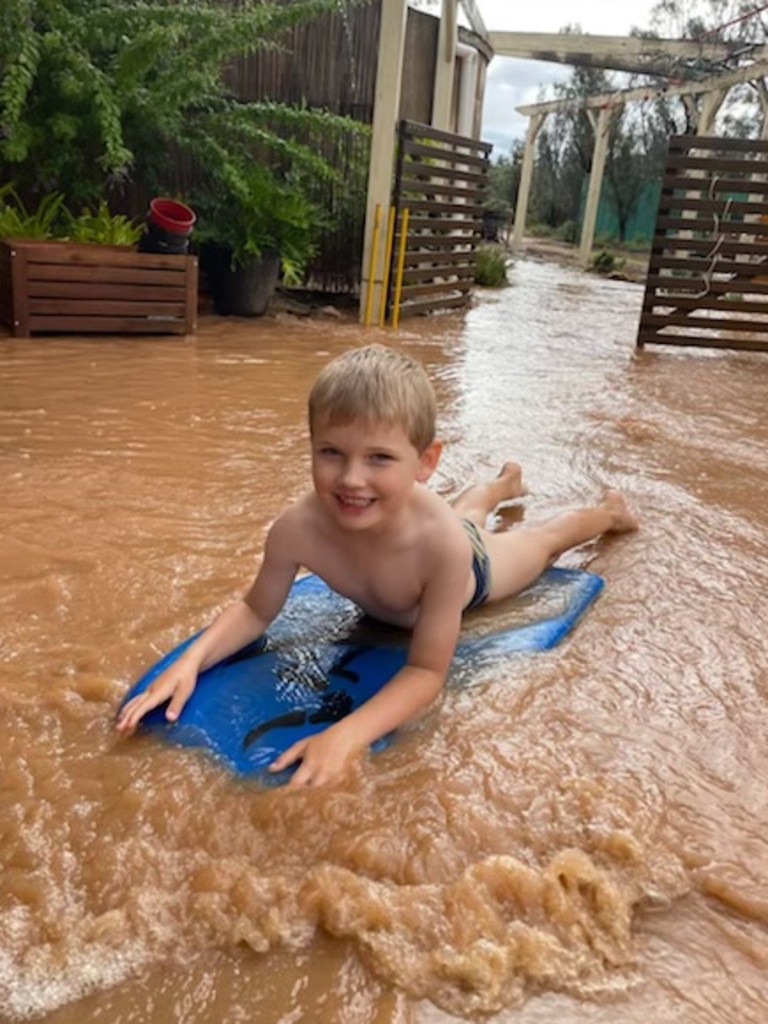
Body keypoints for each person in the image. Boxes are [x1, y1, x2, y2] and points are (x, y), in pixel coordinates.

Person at [116, 344, 638, 786]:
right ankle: (504, 483)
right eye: (331, 452)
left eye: (380, 458)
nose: (351, 479)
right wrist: (193, 660)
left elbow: (427, 670)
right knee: (468, 513)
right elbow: (256, 610)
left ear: (425, 461)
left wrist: (347, 734)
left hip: (473, 572)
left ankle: (608, 512)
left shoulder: (443, 549)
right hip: (426, 532)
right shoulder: (297, 529)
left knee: (542, 542)